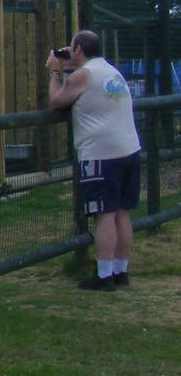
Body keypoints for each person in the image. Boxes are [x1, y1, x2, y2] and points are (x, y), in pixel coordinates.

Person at [47, 29, 142, 291]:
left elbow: (56, 101)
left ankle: (104, 276)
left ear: (78, 49)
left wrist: (55, 71)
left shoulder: (83, 75)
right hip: (129, 149)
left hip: (102, 155)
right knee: (122, 213)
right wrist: (69, 69)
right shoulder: (111, 71)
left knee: (104, 216)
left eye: (71, 47)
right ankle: (121, 271)